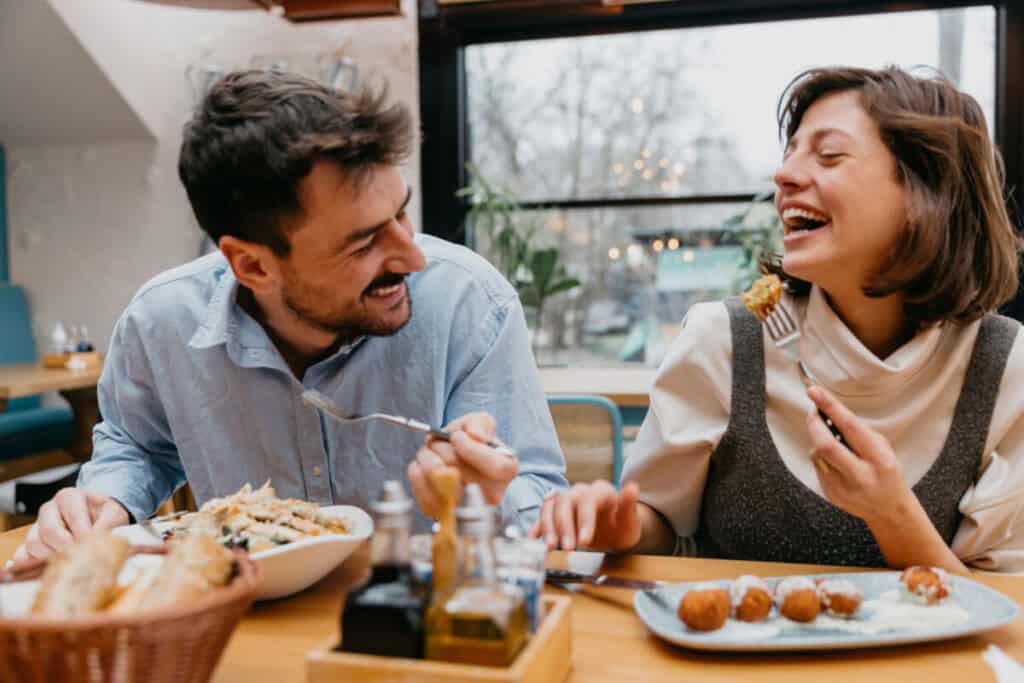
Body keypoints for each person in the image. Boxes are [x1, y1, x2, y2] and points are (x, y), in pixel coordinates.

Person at [14, 70, 567, 564]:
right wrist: (105, 499)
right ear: (252, 264)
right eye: (364, 242)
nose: (413, 257)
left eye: (400, 212)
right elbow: (138, 445)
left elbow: (537, 500)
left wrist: (493, 496)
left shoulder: (471, 303)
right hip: (243, 624)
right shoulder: (161, 323)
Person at [532, 65, 1024, 572]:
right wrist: (625, 527)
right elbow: (661, 523)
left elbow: (1002, 608)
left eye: (829, 155)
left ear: (928, 193)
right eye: (790, 154)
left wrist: (891, 513)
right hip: (727, 651)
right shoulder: (724, 339)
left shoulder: (1004, 368)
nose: (784, 176)